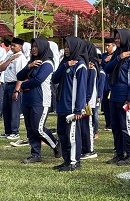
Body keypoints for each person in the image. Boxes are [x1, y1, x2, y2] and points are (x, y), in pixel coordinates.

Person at [16, 37, 58, 164]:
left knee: (38, 128)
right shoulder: (33, 62)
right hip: (27, 100)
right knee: (30, 129)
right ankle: (35, 154)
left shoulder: (47, 63)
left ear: (43, 48)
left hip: (40, 100)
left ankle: (56, 144)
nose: (34, 49)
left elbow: (38, 79)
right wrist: (28, 66)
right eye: (32, 46)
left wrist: (23, 86)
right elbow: (19, 76)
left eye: (36, 46)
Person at [51, 37, 89, 172]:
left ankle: (74, 162)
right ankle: (67, 161)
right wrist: (65, 66)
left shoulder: (80, 66)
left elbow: (82, 89)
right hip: (62, 105)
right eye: (65, 47)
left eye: (68, 47)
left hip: (72, 108)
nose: (66, 49)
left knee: (72, 135)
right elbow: (54, 79)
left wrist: (78, 109)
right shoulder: (66, 63)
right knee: (62, 134)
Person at [104, 29, 130, 166]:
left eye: (119, 38)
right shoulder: (119, 54)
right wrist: (118, 58)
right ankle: (119, 154)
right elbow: (107, 69)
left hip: (126, 96)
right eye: (116, 38)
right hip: (114, 95)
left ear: (126, 38)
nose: (117, 40)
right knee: (116, 126)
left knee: (127, 126)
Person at [0, 37, 27, 140]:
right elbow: (1, 68)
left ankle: (15, 132)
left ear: (20, 47)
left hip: (15, 85)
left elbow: (21, 76)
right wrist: (10, 59)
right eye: (12, 45)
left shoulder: (21, 58)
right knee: (6, 109)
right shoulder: (10, 55)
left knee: (14, 109)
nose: (12, 47)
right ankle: (8, 131)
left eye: (15, 46)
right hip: (7, 84)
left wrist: (16, 90)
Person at [101, 37, 116, 130]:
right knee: (105, 105)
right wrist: (105, 61)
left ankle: (112, 123)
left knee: (111, 106)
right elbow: (101, 66)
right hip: (104, 83)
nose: (107, 47)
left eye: (108, 45)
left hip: (112, 83)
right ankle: (108, 124)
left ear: (113, 46)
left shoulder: (115, 56)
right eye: (106, 45)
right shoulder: (103, 56)